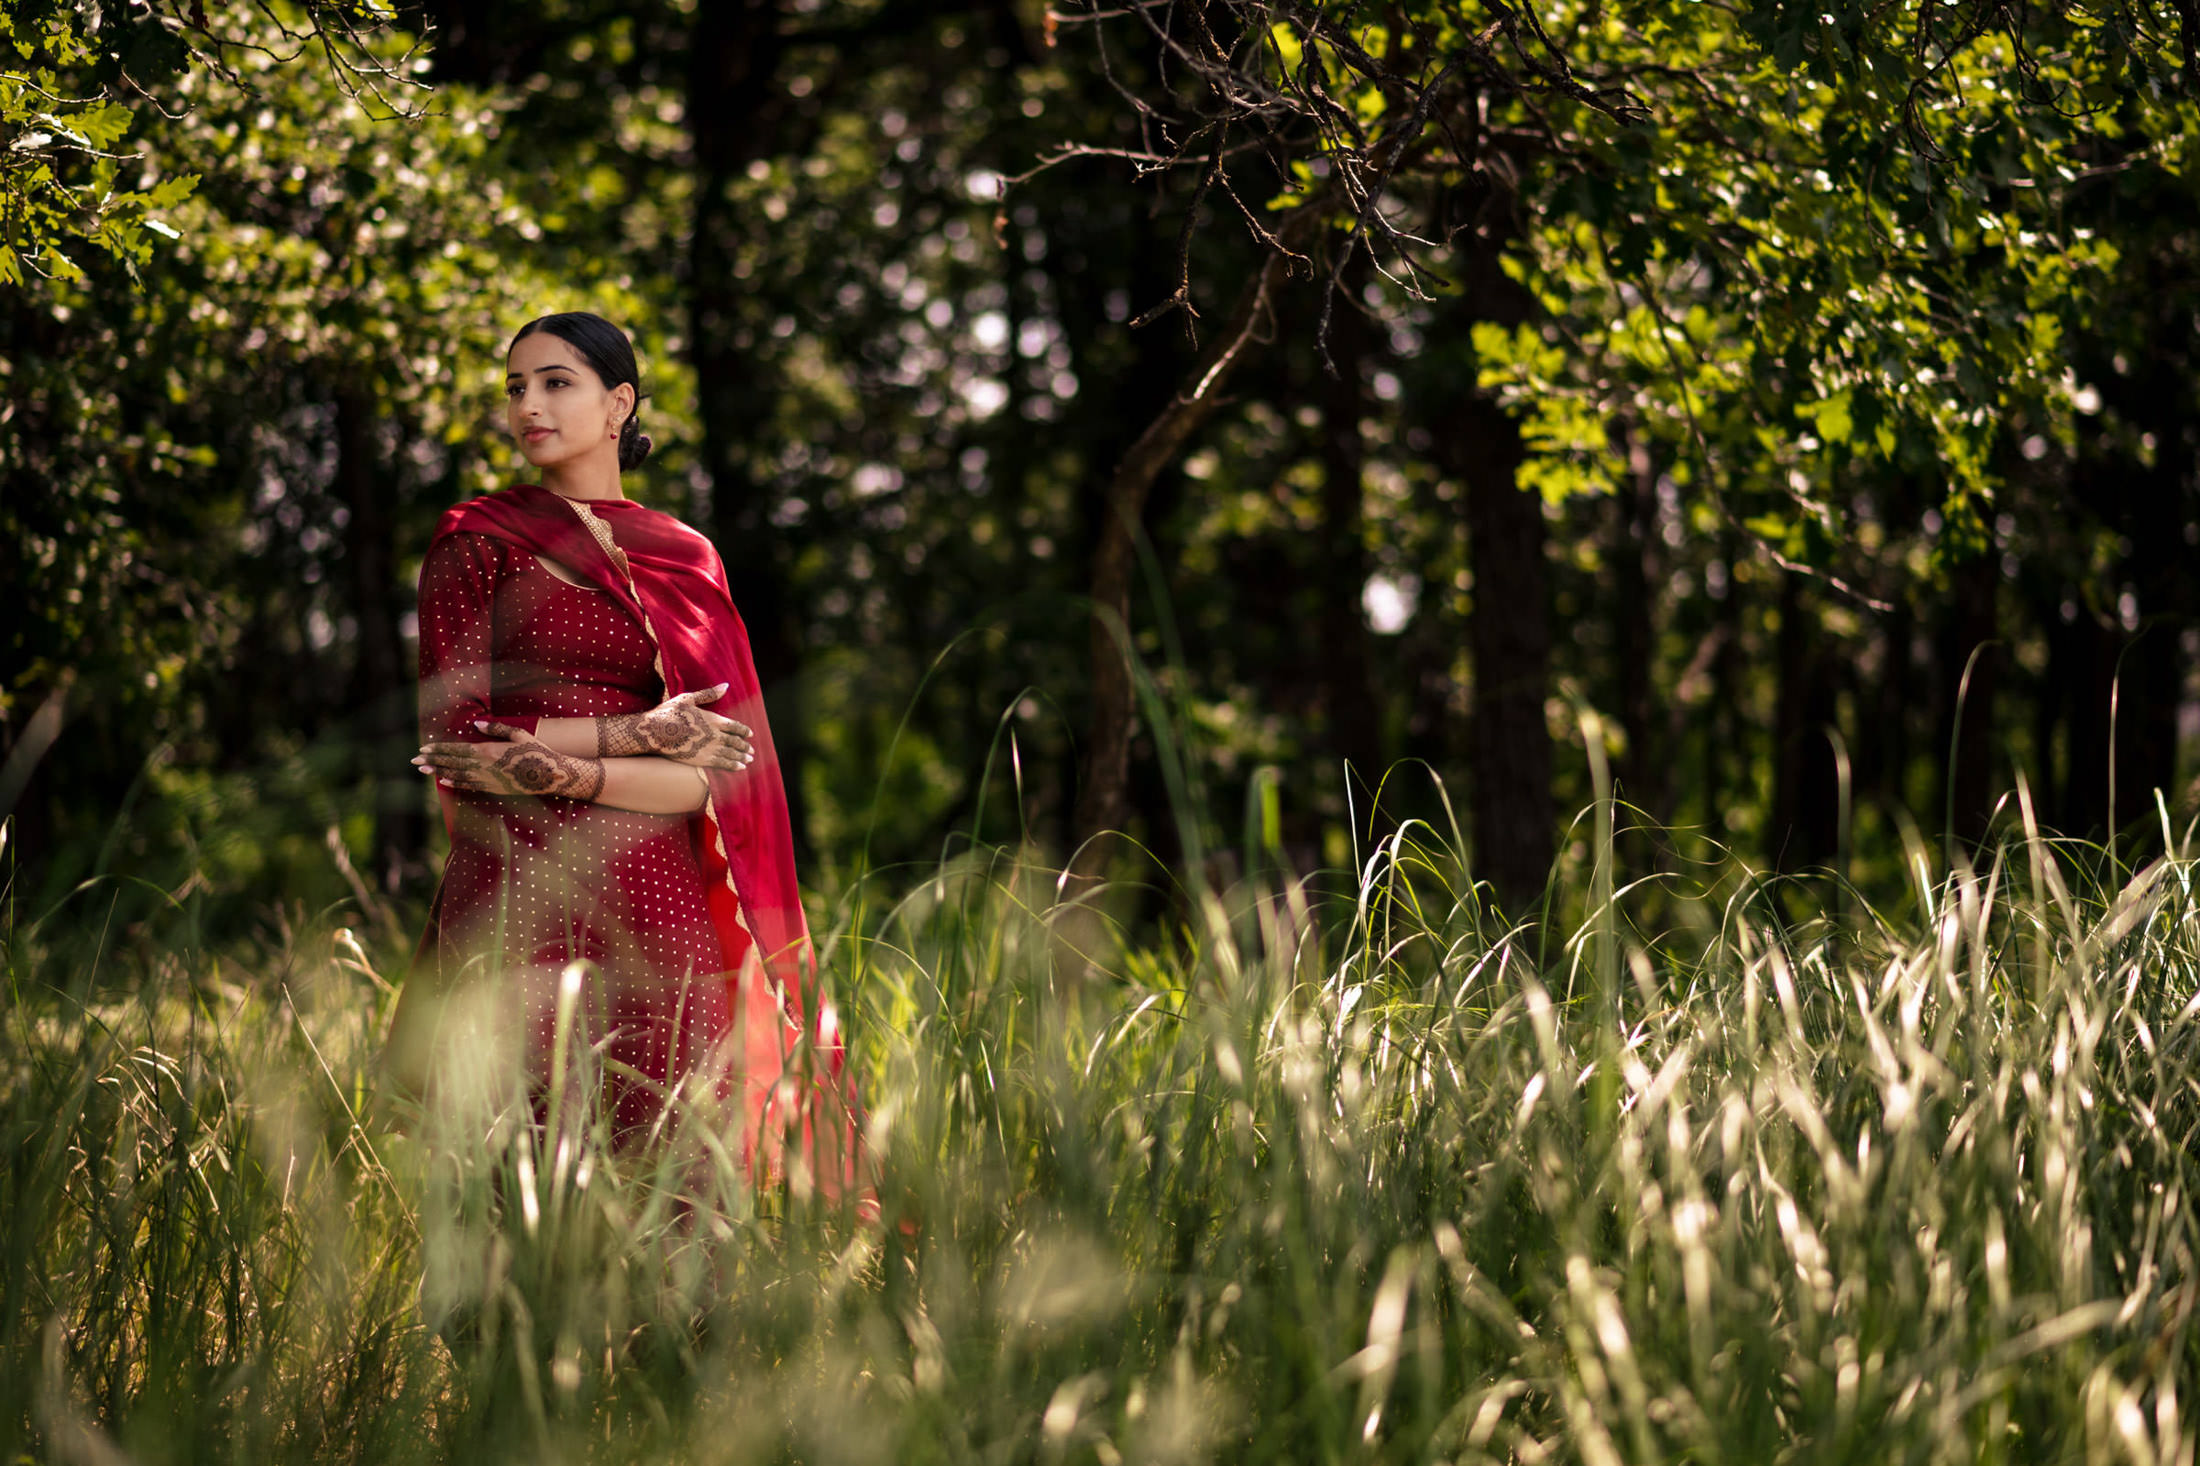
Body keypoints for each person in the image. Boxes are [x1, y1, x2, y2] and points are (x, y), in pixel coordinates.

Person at [386, 311, 857, 1199]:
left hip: (659, 895)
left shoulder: (687, 556)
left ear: (619, 405)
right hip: (519, 887)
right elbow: (458, 747)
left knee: (674, 1170)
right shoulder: (475, 540)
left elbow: (715, 778)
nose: (529, 404)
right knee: (518, 1171)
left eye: (556, 382)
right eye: (516, 387)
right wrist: (642, 732)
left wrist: (592, 763)